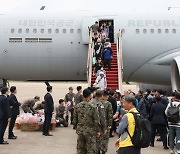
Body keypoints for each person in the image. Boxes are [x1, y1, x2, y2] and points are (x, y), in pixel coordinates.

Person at [73, 89, 101, 154]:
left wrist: (77, 127)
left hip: (80, 131)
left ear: (83, 96)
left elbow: (74, 120)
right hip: (90, 132)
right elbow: (96, 120)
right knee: (91, 150)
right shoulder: (93, 107)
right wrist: (98, 131)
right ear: (90, 96)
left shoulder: (78, 106)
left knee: (80, 150)